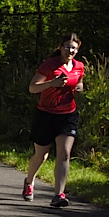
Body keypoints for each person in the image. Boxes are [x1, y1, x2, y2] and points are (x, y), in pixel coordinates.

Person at [23, 33, 84, 207]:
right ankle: (29, 182)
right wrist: (51, 83)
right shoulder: (50, 65)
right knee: (41, 155)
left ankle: (59, 195)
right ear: (60, 47)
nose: (70, 50)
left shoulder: (79, 66)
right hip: (46, 114)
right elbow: (32, 88)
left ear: (77, 50)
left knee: (64, 153)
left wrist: (79, 88)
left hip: (68, 114)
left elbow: (79, 82)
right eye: (66, 46)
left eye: (73, 47)